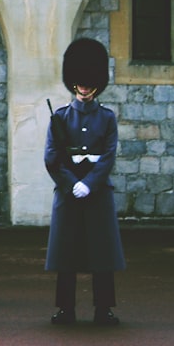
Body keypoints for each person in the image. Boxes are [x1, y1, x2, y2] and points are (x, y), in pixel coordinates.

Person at [44, 37, 125, 326]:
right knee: (67, 254)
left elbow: (108, 156)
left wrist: (89, 183)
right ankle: (66, 308)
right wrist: (70, 183)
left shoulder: (107, 118)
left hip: (98, 193)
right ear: (73, 83)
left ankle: (104, 309)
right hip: (69, 194)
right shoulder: (61, 118)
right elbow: (52, 158)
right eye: (81, 83)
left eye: (90, 83)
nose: (85, 88)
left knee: (101, 254)